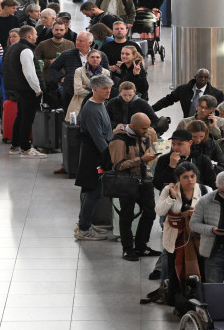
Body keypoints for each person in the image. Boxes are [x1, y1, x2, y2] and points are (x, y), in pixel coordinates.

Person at [156, 162, 209, 310]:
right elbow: (160, 211)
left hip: (197, 238)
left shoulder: (205, 190)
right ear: (179, 178)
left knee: (200, 267)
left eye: (193, 176)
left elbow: (212, 213)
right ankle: (175, 299)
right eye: (185, 177)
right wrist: (172, 197)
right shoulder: (169, 189)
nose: (190, 180)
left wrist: (196, 214)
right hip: (176, 237)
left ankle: (199, 297)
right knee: (175, 268)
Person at [107, 112, 159, 261]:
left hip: (144, 180)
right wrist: (141, 159)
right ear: (134, 126)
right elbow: (118, 165)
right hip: (127, 182)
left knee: (150, 212)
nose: (147, 131)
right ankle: (128, 249)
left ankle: (141, 246)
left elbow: (146, 154)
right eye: (144, 128)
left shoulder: (144, 135)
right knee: (127, 215)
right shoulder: (119, 139)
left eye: (148, 127)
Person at [74, 75, 115, 241]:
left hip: (97, 154)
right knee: (93, 192)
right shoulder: (91, 109)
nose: (108, 91)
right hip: (93, 156)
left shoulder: (101, 104)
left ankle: (84, 224)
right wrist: (110, 156)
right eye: (105, 88)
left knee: (93, 191)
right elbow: (98, 138)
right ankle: (84, 229)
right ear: (95, 89)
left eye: (109, 88)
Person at [2, 25, 46, 157]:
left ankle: (15, 145)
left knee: (20, 116)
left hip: (17, 88)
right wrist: (37, 89)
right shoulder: (26, 50)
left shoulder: (12, 47)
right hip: (28, 89)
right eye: (35, 34)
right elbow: (30, 73)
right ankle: (26, 149)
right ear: (29, 36)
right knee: (27, 119)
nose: (37, 36)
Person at [48, 32, 110, 110]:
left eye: (81, 41)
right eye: (77, 40)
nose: (77, 42)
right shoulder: (67, 54)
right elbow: (52, 68)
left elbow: (107, 73)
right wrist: (61, 78)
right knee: (71, 116)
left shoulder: (100, 55)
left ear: (90, 42)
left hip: (94, 94)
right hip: (71, 93)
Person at [153, 69, 224, 120]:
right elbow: (168, 100)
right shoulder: (183, 89)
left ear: (209, 79)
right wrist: (151, 109)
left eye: (205, 77)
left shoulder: (217, 94)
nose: (203, 79)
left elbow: (219, 112)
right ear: (195, 77)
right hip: (187, 123)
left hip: (207, 125)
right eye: (200, 77)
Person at [67, 50, 110, 124]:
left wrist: (86, 86)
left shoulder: (106, 72)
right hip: (80, 104)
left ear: (101, 59)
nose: (95, 59)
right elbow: (77, 90)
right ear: (87, 58)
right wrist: (97, 91)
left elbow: (105, 92)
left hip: (98, 105)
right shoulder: (79, 71)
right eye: (92, 57)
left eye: (97, 57)